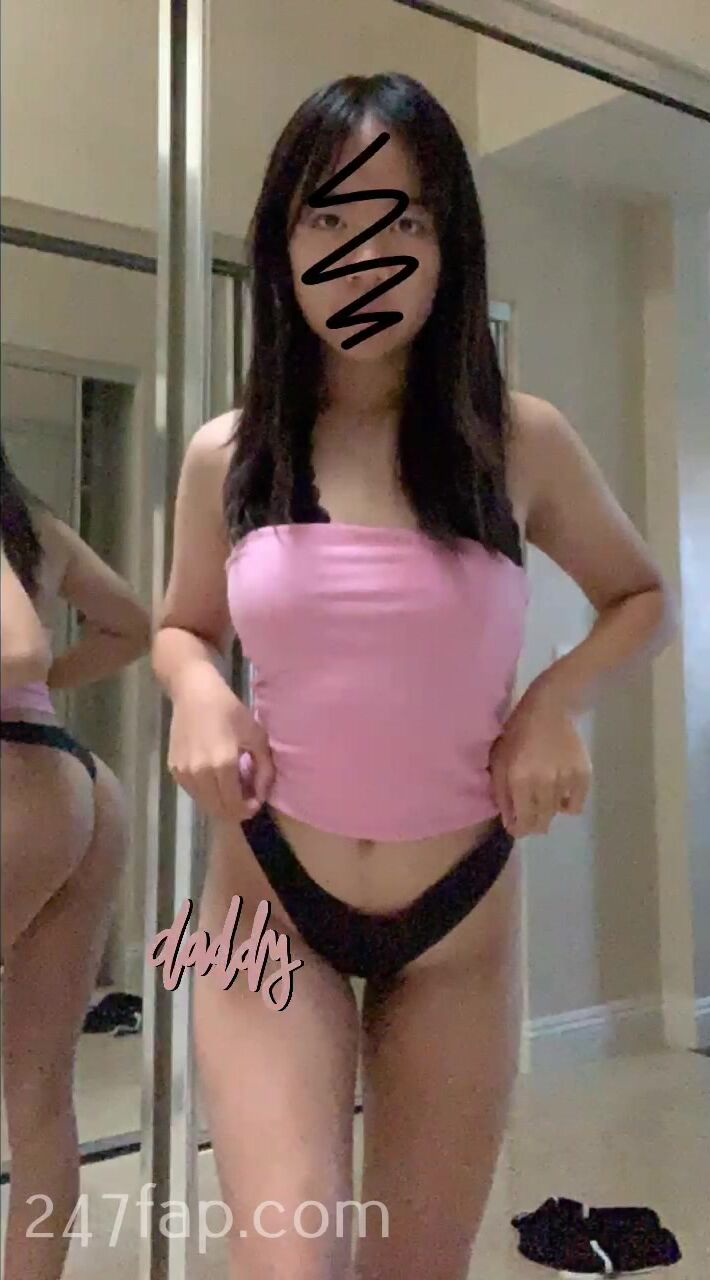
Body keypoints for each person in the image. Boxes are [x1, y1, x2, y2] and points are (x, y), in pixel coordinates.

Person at [152, 72, 677, 1280]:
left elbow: (640, 596)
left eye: (401, 218)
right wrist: (197, 688)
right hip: (266, 906)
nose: (361, 251)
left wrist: (550, 700)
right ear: (282, 243)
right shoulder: (228, 454)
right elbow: (181, 626)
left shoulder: (518, 440)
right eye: (326, 216)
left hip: (460, 921)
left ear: (448, 246)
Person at [0, 439, 152, 1280]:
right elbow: (130, 626)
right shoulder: (30, 520)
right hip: (73, 778)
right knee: (40, 1092)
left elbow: (16, 648)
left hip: (15, 780)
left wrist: (34, 673)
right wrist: (50, 684)